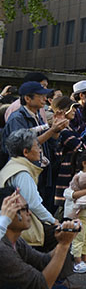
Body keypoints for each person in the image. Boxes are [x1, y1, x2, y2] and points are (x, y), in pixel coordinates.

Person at [0, 81, 69, 210]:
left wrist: (57, 129)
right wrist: (52, 130)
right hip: (25, 170)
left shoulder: (38, 116)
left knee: (42, 205)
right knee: (28, 207)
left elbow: (51, 143)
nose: (44, 99)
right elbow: (24, 146)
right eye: (40, 96)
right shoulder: (17, 118)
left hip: (41, 170)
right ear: (27, 98)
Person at [0, 128, 59, 248]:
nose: (40, 150)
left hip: (11, 222)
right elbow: (33, 204)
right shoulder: (22, 173)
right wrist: (54, 221)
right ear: (26, 152)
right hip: (20, 226)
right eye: (37, 146)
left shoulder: (11, 166)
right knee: (61, 235)